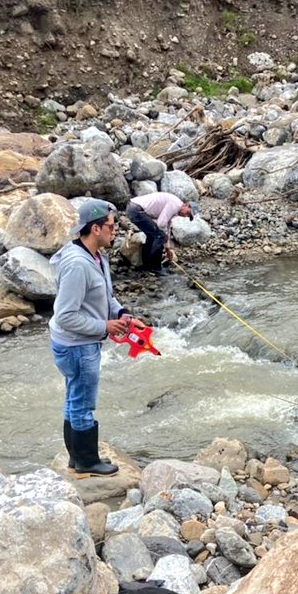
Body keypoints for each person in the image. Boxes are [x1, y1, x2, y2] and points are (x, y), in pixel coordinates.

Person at [49, 199, 146, 476]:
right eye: (111, 227)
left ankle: (76, 457)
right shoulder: (77, 265)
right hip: (77, 346)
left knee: (74, 397)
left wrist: (122, 314)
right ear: (95, 229)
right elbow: (65, 316)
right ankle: (87, 461)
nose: (115, 231)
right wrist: (105, 327)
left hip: (80, 343)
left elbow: (105, 295)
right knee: (82, 403)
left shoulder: (95, 255)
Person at [125, 191, 198, 274]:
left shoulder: (175, 207)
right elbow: (161, 223)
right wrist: (164, 237)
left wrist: (167, 248)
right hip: (136, 210)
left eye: (188, 216)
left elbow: (167, 226)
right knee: (159, 236)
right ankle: (156, 267)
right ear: (186, 205)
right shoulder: (175, 204)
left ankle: (146, 265)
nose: (185, 216)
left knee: (152, 236)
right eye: (187, 213)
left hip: (133, 208)